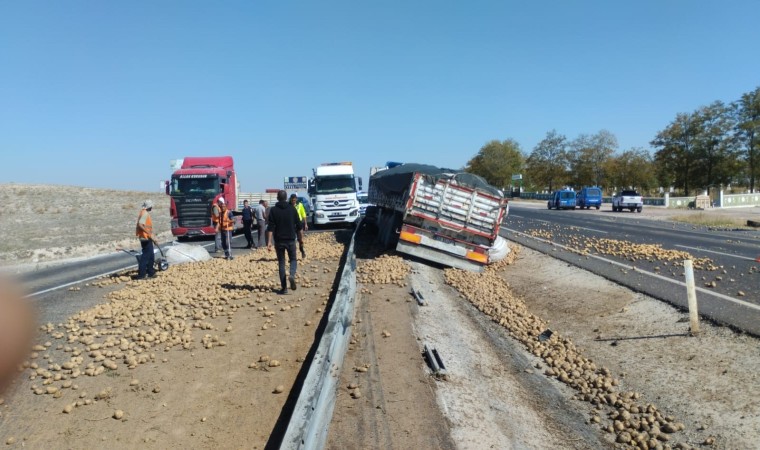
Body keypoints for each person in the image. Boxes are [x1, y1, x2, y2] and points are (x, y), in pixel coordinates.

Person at [267, 190, 304, 294]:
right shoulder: (292, 209)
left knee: (281, 263)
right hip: (291, 240)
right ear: (286, 198)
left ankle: (284, 288)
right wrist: (301, 240)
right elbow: (299, 227)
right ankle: (292, 275)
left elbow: (270, 227)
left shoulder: (273, 210)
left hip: (279, 241)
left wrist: (269, 242)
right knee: (293, 260)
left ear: (278, 198)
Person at [135, 200, 158, 279]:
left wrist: (152, 236)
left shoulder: (143, 212)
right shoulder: (144, 213)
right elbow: (141, 225)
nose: (152, 207)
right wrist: (148, 232)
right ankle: (141, 275)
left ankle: (151, 272)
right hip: (145, 237)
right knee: (145, 256)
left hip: (147, 237)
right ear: (149, 206)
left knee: (151, 255)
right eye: (151, 206)